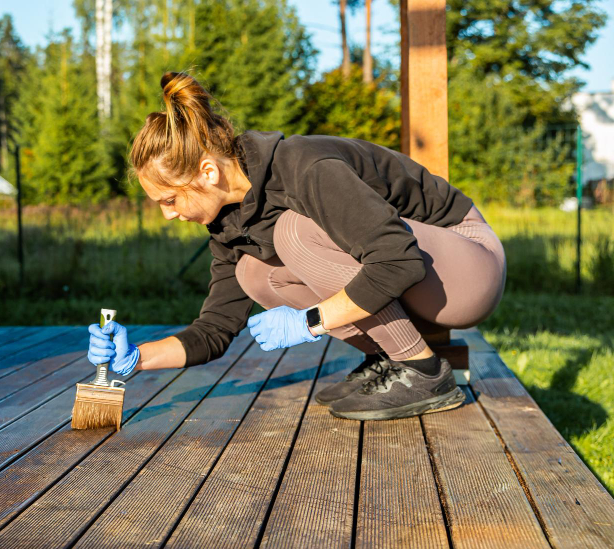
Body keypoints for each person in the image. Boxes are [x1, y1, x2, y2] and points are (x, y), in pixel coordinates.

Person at [87, 71, 506, 421]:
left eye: (170, 200)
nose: (169, 215)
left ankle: (423, 371)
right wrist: (137, 358)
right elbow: (216, 330)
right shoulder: (227, 223)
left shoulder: (305, 168)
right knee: (253, 271)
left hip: (466, 264)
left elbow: (397, 261)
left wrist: (310, 321)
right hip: (424, 274)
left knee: (292, 234)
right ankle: (390, 357)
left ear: (208, 172)